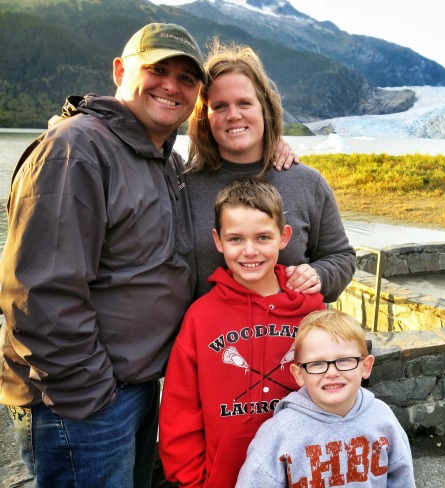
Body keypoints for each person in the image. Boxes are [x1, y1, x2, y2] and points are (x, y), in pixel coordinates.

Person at [0, 22, 215, 488]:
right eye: (158, 69)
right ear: (120, 70)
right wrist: (94, 397)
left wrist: (275, 145)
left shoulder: (162, 158)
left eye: (186, 78)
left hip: (131, 386)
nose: (171, 86)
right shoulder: (75, 150)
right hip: (83, 399)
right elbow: (40, 295)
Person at [158, 176, 325, 487]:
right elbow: (179, 410)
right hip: (224, 478)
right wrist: (194, 481)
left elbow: (336, 389)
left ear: (284, 237)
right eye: (235, 239)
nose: (250, 251)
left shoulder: (311, 311)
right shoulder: (201, 316)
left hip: (303, 473)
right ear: (218, 241)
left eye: (263, 237)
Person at [185, 40, 356, 303]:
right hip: (212, 341)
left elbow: (341, 257)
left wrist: (318, 276)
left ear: (264, 108)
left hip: (291, 341)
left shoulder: (307, 183)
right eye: (219, 106)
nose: (233, 115)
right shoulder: (184, 186)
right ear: (204, 117)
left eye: (244, 103)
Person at [235, 308, 416, 487]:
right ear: (299, 374)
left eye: (344, 360)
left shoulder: (383, 418)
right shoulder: (279, 432)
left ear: (366, 367)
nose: (332, 372)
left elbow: (402, 478)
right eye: (317, 363)